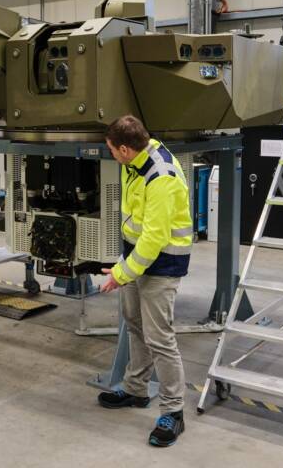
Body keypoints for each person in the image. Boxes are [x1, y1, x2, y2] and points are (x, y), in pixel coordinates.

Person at [97, 115, 193, 447]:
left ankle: (174, 411)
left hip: (163, 263)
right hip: (136, 258)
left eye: (111, 149)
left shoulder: (160, 176)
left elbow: (154, 238)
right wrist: (126, 263)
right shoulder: (135, 161)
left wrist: (120, 275)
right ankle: (136, 388)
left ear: (124, 148)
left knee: (160, 338)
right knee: (134, 323)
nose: (111, 155)